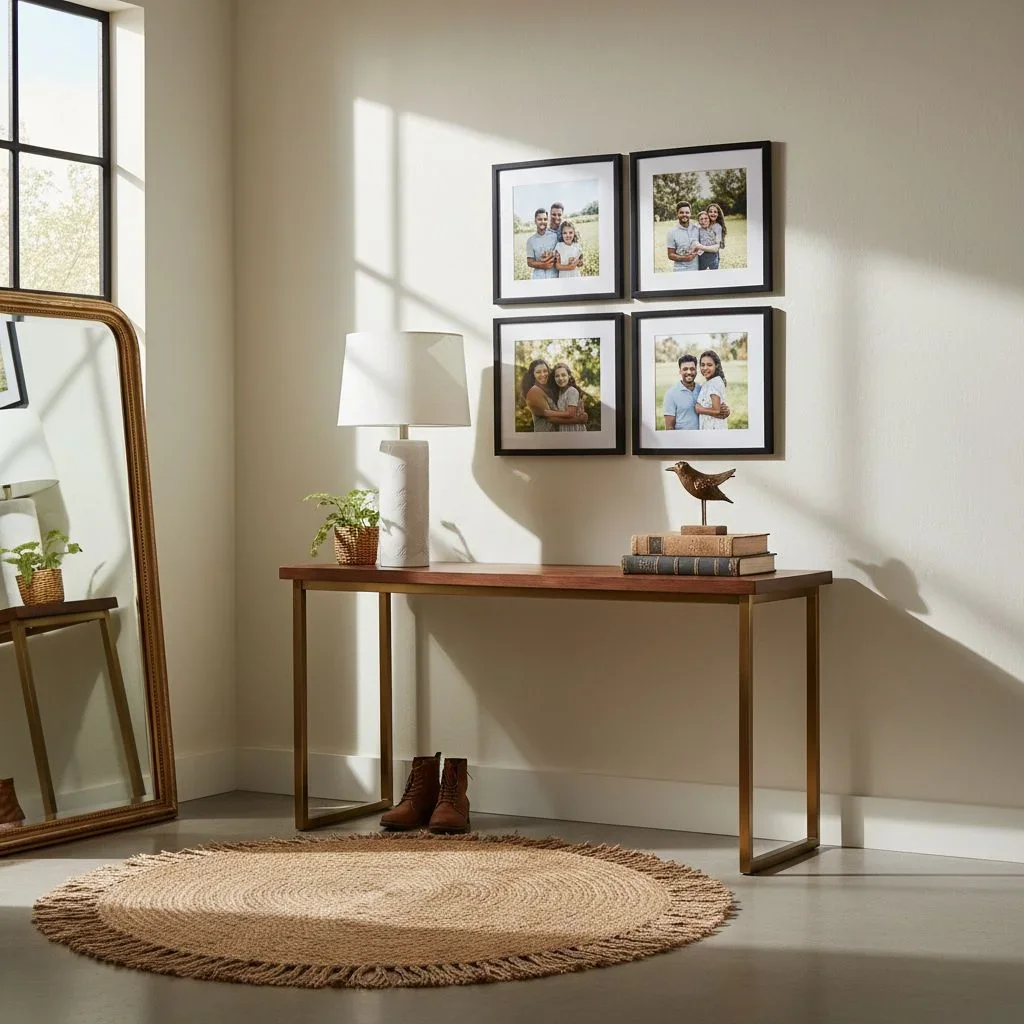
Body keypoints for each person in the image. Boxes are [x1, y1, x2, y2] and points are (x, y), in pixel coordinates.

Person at [663, 353, 729, 429]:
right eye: (685, 369)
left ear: (696, 370)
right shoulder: (671, 394)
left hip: (704, 436)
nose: (689, 372)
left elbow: (716, 408)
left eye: (692, 369)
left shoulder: (702, 389)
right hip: (684, 438)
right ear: (680, 371)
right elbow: (669, 427)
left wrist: (726, 411)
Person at [520, 359, 588, 431]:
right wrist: (579, 420)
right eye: (538, 372)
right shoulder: (534, 392)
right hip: (544, 434)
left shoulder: (554, 390)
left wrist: (579, 408)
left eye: (545, 371)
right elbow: (551, 419)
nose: (543, 374)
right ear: (533, 375)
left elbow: (567, 407)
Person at [695, 350, 729, 430]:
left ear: (716, 365)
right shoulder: (709, 383)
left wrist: (700, 409)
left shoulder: (714, 384)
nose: (705, 368)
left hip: (714, 428)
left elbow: (717, 410)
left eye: (709, 365)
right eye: (702, 365)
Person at [550, 361, 588, 431]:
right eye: (557, 376)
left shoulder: (572, 391)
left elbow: (570, 414)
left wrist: (551, 414)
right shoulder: (560, 392)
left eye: (563, 375)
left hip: (574, 430)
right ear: (554, 378)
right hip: (565, 429)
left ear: (569, 376)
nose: (560, 378)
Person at [665, 201, 700, 272]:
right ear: (677, 214)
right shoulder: (671, 232)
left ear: (690, 214)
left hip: (697, 269)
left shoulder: (697, 228)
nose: (684, 215)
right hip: (680, 270)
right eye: (681, 212)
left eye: (687, 212)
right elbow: (670, 254)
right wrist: (685, 258)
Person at [525, 209, 558, 279]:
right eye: (540, 219)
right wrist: (544, 265)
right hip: (538, 278)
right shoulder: (530, 241)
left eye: (545, 219)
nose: (543, 222)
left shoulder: (555, 236)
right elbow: (530, 262)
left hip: (554, 276)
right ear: (535, 221)